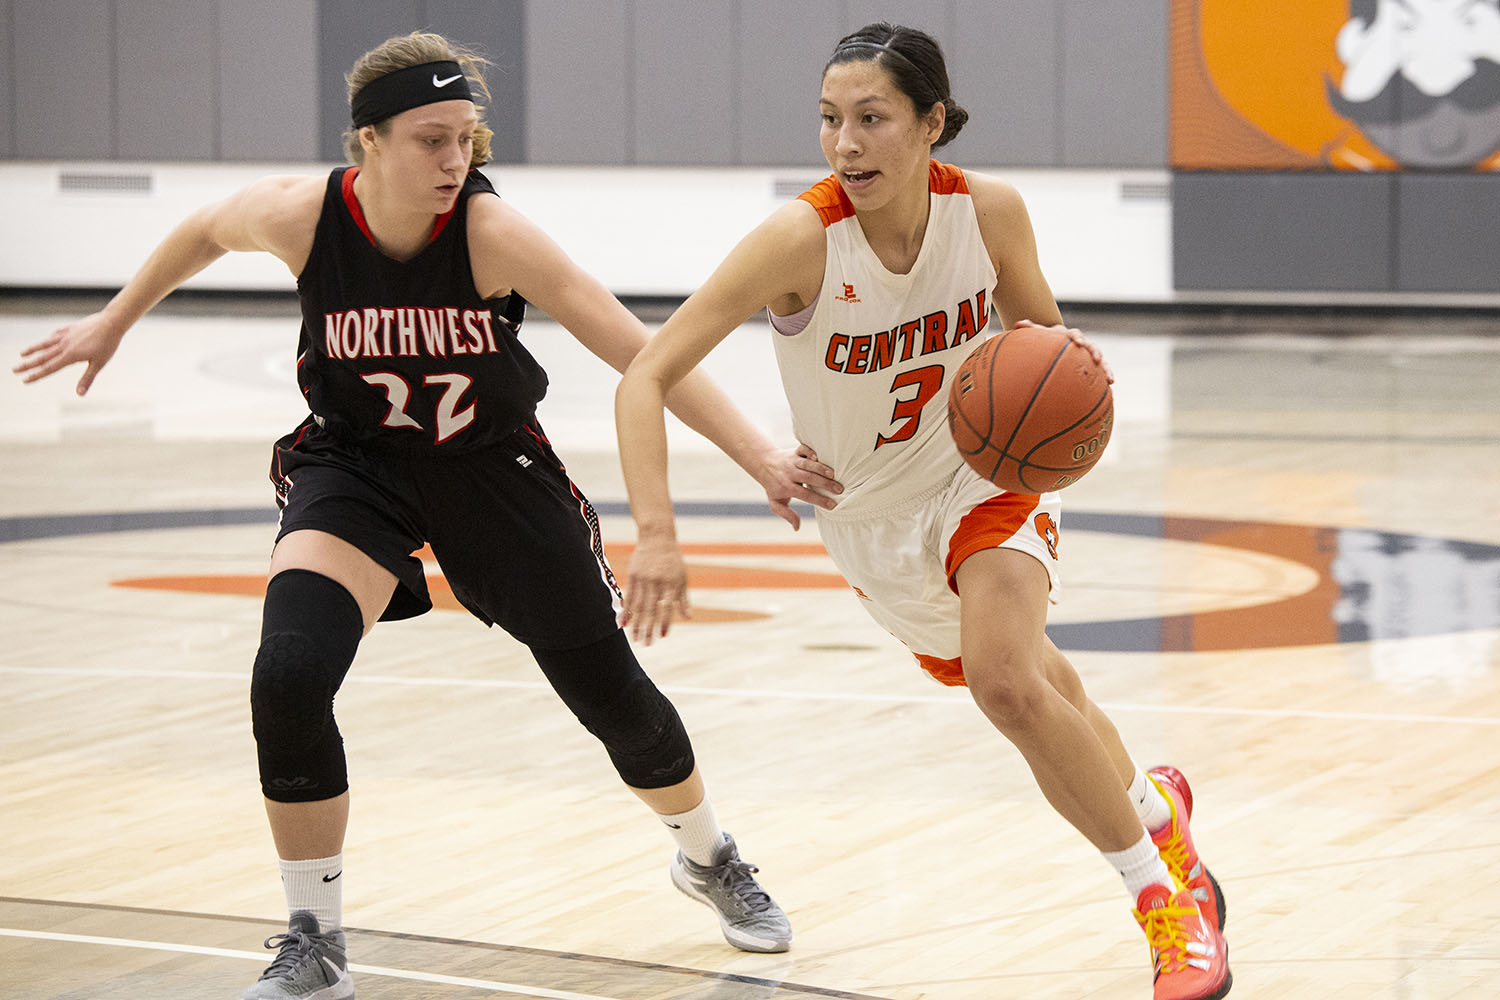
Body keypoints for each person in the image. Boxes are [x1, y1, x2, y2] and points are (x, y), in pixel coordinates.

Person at [13, 31, 841, 1000]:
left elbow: (638, 351)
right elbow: (201, 228)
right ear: (367, 141)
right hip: (356, 464)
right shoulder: (300, 216)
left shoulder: (494, 235)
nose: (455, 161)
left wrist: (763, 456)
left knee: (610, 695)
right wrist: (113, 318)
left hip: (492, 472)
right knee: (288, 673)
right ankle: (315, 939)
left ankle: (706, 855)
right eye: (430, 139)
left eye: (466, 139)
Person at [614, 22, 1231, 1000]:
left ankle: (1167, 908)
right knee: (1043, 684)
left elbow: (1048, 346)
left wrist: (1053, 406)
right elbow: (645, 374)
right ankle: (1154, 808)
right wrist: (666, 526)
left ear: (931, 122)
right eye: (829, 121)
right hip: (871, 521)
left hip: (986, 475)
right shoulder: (798, 240)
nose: (845, 144)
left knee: (1006, 685)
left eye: (872, 119)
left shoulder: (987, 214)